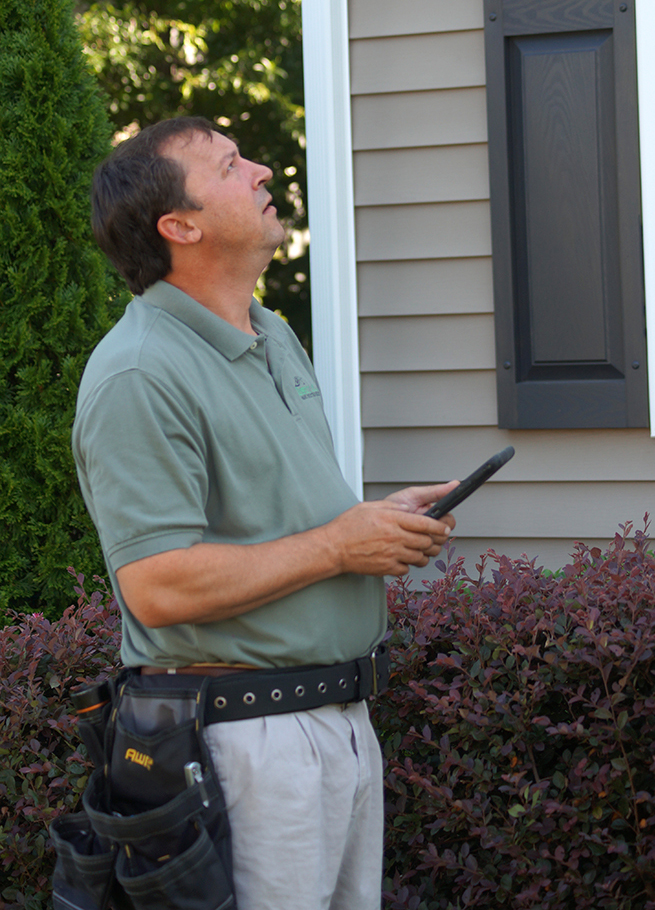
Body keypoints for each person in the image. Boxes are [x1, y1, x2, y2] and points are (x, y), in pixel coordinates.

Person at [72, 116, 457, 910]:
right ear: (180, 226)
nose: (261, 170)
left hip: (340, 720)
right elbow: (156, 587)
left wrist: (375, 524)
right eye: (228, 165)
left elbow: (288, 520)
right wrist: (340, 547)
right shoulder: (139, 374)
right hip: (246, 743)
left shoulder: (273, 334)